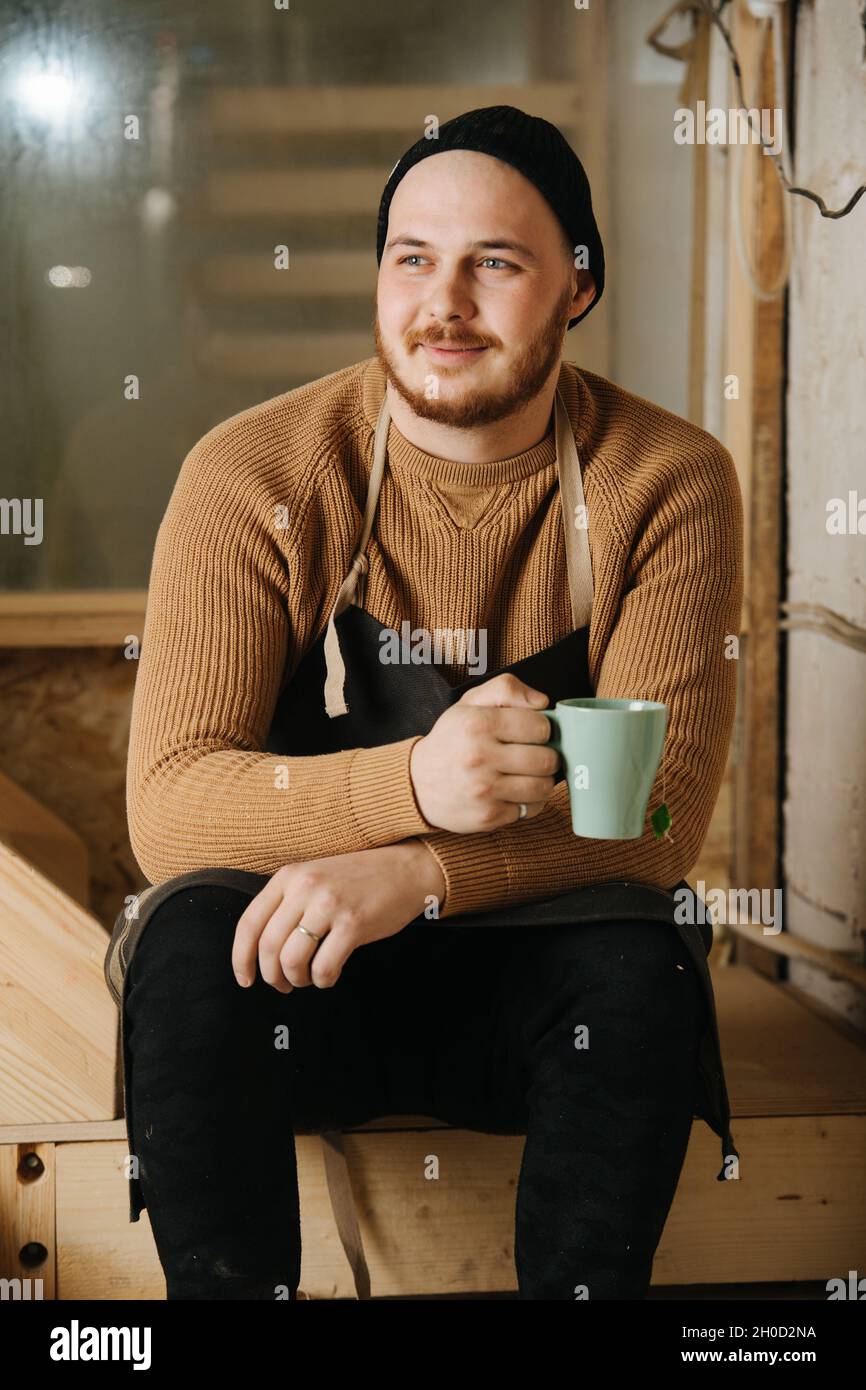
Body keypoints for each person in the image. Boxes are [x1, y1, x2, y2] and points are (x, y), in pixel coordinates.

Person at [110, 106, 743, 1300]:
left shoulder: (666, 479)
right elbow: (170, 803)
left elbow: (655, 824)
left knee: (641, 962)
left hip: (531, 995)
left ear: (577, 288)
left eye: (494, 263)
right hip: (305, 983)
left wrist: (421, 870)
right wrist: (410, 786)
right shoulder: (252, 475)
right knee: (187, 940)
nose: (441, 301)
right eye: (412, 258)